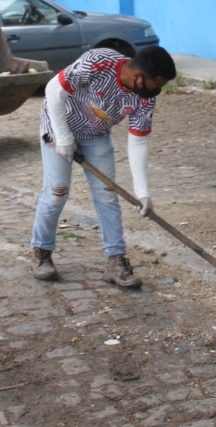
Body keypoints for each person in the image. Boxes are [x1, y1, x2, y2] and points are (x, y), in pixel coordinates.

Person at [31, 45, 177, 288]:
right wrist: (65, 138)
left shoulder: (144, 98)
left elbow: (138, 141)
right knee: (57, 191)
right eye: (156, 85)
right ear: (138, 77)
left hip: (95, 134)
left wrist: (143, 193)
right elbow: (53, 89)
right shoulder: (98, 62)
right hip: (56, 127)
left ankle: (116, 260)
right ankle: (41, 251)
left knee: (107, 194)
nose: (157, 92)